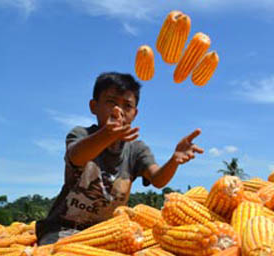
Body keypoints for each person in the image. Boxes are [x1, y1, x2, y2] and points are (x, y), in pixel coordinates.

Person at [36, 72, 203, 245]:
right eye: (111, 102)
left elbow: (158, 179)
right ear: (94, 106)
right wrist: (106, 135)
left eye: (127, 106)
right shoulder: (82, 135)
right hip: (63, 229)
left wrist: (174, 160)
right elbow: (77, 156)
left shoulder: (136, 150)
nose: (119, 110)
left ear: (135, 113)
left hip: (107, 232)